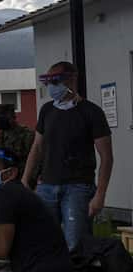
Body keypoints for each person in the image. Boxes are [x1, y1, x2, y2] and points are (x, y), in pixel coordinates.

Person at [22, 61, 114, 251]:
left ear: (72, 79)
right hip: (46, 186)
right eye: (48, 82)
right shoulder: (47, 111)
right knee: (43, 241)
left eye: (56, 81)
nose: (52, 87)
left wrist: (100, 195)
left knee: (76, 244)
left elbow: (106, 157)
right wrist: (25, 179)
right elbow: (36, 147)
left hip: (78, 188)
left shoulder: (91, 112)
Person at [0, 103, 34, 178]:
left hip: (22, 179)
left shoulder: (26, 135)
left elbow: (35, 159)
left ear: (11, 117)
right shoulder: (2, 136)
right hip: (6, 178)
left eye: (1, 118)